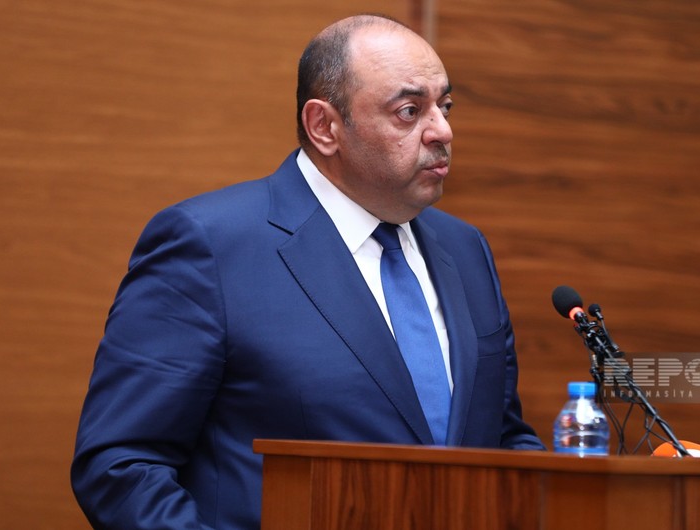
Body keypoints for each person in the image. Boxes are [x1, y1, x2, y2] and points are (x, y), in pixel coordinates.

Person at [71, 13, 545, 530]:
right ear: (324, 127)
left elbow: (499, 438)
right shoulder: (210, 246)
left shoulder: (465, 249)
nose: (443, 131)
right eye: (410, 111)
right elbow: (121, 465)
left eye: (445, 106)